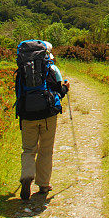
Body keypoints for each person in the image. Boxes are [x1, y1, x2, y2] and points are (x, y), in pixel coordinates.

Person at [19, 40, 70, 201]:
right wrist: (66, 88)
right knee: (46, 150)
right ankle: (43, 184)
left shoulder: (22, 70)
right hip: (48, 114)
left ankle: (27, 175)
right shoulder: (51, 68)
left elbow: (18, 93)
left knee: (28, 149)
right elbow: (58, 91)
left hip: (27, 114)